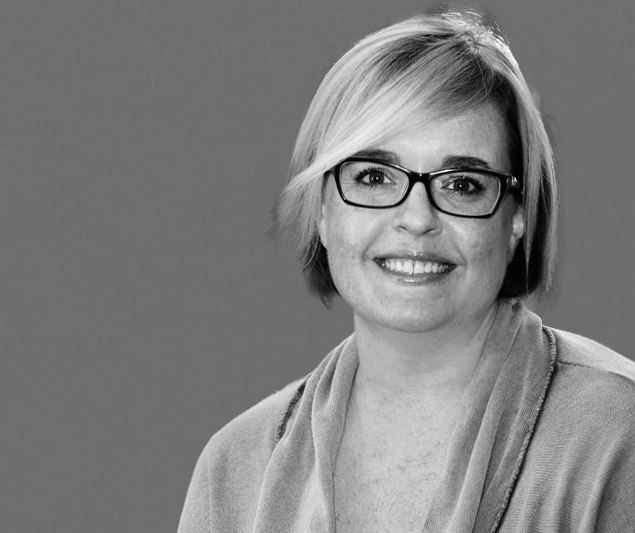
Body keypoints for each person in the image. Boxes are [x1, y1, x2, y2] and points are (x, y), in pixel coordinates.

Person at [178, 10, 635, 533]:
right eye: (375, 177)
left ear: (517, 219)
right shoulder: (236, 469)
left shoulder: (617, 433)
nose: (417, 219)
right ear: (322, 209)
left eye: (462, 184)